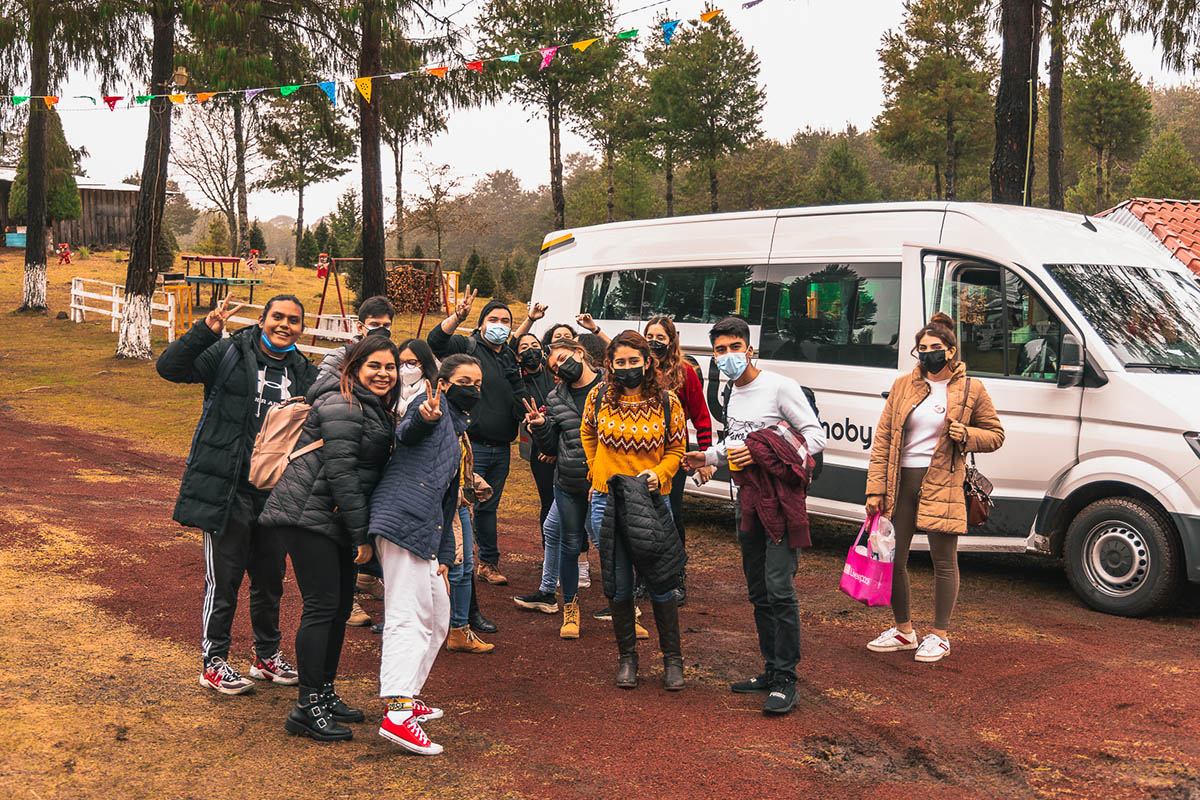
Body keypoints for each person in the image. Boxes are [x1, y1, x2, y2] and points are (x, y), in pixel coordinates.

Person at [156, 293, 317, 695]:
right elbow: (169, 368)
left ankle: (266, 657)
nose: (284, 325)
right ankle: (214, 663)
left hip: (276, 493)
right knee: (223, 579)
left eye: (293, 320)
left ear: (302, 327)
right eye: (277, 316)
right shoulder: (229, 352)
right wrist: (203, 331)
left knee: (270, 579)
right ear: (263, 319)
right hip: (228, 489)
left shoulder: (304, 373)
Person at [683, 316, 827, 715]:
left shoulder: (780, 386)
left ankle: (787, 679)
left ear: (750, 349)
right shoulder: (730, 392)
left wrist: (763, 449)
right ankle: (770, 669)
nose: (728, 356)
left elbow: (815, 437)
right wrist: (709, 456)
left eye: (734, 347)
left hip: (780, 504)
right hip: (746, 501)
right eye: (719, 350)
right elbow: (736, 440)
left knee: (780, 588)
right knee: (759, 591)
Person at [259, 337, 398, 741]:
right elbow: (342, 475)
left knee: (336, 610)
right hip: (309, 516)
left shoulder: (368, 405)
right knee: (321, 608)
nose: (383, 374)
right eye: (375, 365)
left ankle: (324, 691)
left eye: (390, 367)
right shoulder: (343, 403)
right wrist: (362, 536)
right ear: (354, 367)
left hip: (329, 516)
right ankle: (306, 706)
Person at [863, 312, 1005, 664]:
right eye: (922, 348)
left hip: (943, 480)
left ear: (951, 351)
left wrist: (967, 434)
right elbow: (883, 441)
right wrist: (874, 490)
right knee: (894, 557)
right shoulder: (902, 386)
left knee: (943, 560)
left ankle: (940, 635)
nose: (927, 354)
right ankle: (904, 630)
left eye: (935, 348)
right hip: (902, 480)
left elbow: (996, 435)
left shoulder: (972, 389)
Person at [369, 354, 484, 756]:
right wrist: (427, 416)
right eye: (466, 380)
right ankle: (398, 712)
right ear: (444, 383)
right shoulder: (430, 409)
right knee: (408, 615)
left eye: (479, 382)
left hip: (426, 529)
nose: (474, 388)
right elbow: (407, 431)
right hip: (402, 520)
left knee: (437, 615)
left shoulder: (457, 426)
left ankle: (410, 694)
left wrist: (445, 552)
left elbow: (447, 497)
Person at [581, 331, 687, 690]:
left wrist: (659, 474)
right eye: (620, 362)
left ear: (647, 362)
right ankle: (627, 658)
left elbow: (677, 448)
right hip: (606, 501)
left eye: (633, 361)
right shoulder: (598, 397)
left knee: (660, 581)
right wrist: (597, 470)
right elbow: (588, 435)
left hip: (652, 502)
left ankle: (673, 660)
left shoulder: (668, 402)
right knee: (619, 583)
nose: (627, 368)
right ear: (610, 364)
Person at [428, 286, 523, 601]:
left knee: (490, 506)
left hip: (502, 445)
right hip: (473, 444)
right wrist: (457, 316)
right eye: (493, 319)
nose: (500, 324)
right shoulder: (468, 347)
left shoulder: (509, 354)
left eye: (505, 320)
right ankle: (458, 564)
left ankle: (488, 562)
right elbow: (435, 342)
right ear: (482, 323)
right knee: (464, 507)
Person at [311, 296, 397, 627]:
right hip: (345, 438)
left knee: (367, 514)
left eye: (387, 325)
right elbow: (320, 391)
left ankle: (364, 579)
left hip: (375, 442)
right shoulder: (339, 356)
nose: (382, 331)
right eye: (375, 325)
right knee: (345, 519)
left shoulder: (390, 356)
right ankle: (348, 600)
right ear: (360, 326)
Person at [522, 339, 604, 638]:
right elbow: (550, 448)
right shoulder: (556, 397)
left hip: (608, 481)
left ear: (580, 353)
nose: (559, 367)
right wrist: (541, 426)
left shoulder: (610, 386)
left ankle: (626, 606)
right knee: (570, 545)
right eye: (554, 366)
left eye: (563, 359)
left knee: (612, 544)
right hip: (570, 481)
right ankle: (570, 609)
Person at [644, 315, 714, 605]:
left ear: (672, 340)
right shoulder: (638, 370)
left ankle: (675, 576)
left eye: (660, 337)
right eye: (649, 336)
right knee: (641, 518)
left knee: (669, 515)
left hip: (673, 453)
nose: (654, 342)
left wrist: (707, 456)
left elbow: (701, 416)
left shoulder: (685, 372)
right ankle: (643, 578)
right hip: (640, 452)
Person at [517, 332, 557, 529]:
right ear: (517, 356)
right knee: (548, 501)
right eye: (524, 348)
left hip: (567, 445)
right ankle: (548, 552)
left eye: (534, 345)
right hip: (541, 449)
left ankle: (579, 555)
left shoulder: (555, 374)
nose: (531, 350)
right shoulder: (517, 382)